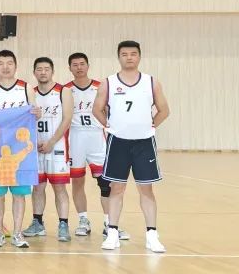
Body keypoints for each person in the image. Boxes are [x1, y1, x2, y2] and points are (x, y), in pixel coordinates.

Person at [94, 40, 170, 253]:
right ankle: (112, 233)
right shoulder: (108, 83)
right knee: (116, 188)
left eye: (133, 54)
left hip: (144, 143)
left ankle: (152, 235)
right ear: (119, 57)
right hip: (118, 142)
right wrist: (109, 125)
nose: (129, 57)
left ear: (139, 56)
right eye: (125, 54)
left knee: (146, 189)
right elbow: (97, 109)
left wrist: (151, 125)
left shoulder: (151, 82)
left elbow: (164, 110)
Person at [66, 52, 129, 241]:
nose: (79, 67)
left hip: (97, 138)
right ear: (69, 68)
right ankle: (83, 220)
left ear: (88, 65)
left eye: (82, 64)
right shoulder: (66, 90)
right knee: (77, 182)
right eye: (75, 64)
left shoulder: (101, 87)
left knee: (106, 183)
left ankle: (110, 224)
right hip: (75, 138)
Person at [0, 50, 35, 248]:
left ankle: (17, 233)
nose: (5, 67)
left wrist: (37, 113)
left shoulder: (26, 88)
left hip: (20, 149)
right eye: (1, 63)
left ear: (16, 66)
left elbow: (34, 114)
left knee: (19, 194)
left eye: (9, 63)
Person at [24, 57, 74, 242]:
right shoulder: (30, 93)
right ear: (34, 72)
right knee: (37, 187)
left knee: (59, 187)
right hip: (36, 148)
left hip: (57, 147)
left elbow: (67, 119)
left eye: (46, 69)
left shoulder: (63, 91)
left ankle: (63, 224)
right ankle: (37, 223)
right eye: (39, 69)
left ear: (52, 71)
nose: (43, 72)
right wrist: (34, 141)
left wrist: (52, 141)